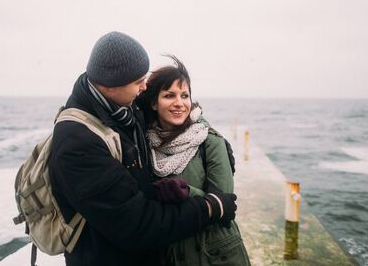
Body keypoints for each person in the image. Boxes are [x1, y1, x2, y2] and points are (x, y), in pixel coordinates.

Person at [48, 31, 238, 266]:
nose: (144, 86)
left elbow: (175, 111)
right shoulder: (77, 143)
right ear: (111, 84)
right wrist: (209, 206)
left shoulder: (123, 111)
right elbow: (136, 225)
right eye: (138, 82)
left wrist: (208, 133)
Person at [136, 55, 251, 266]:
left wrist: (185, 192)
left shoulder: (209, 141)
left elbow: (224, 205)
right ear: (154, 102)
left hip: (215, 254)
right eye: (169, 95)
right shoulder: (144, 144)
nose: (179, 103)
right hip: (170, 253)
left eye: (185, 95)